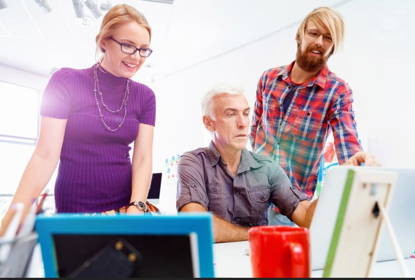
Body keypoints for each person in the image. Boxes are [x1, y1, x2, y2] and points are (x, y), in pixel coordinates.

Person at [1, 4, 155, 232]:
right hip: (75, 210)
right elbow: (45, 155)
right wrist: (10, 222)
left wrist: (136, 206)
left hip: (124, 208)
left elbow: (142, 159)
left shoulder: (145, 96)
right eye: (128, 46)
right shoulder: (65, 81)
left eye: (144, 49)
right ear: (103, 41)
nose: (137, 57)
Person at [250, 7, 377, 225]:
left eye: (328, 38)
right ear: (299, 35)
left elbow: (348, 146)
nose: (319, 41)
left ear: (333, 47)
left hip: (291, 210)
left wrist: (358, 164)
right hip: (252, 200)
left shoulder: (337, 91)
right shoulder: (268, 79)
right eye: (314, 33)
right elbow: (255, 132)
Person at [176, 87, 317, 243]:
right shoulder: (193, 163)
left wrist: (337, 181)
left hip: (255, 262)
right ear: (209, 123)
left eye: (245, 113)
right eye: (230, 114)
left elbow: (305, 216)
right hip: (215, 263)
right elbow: (195, 225)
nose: (243, 123)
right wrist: (260, 235)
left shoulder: (267, 166)